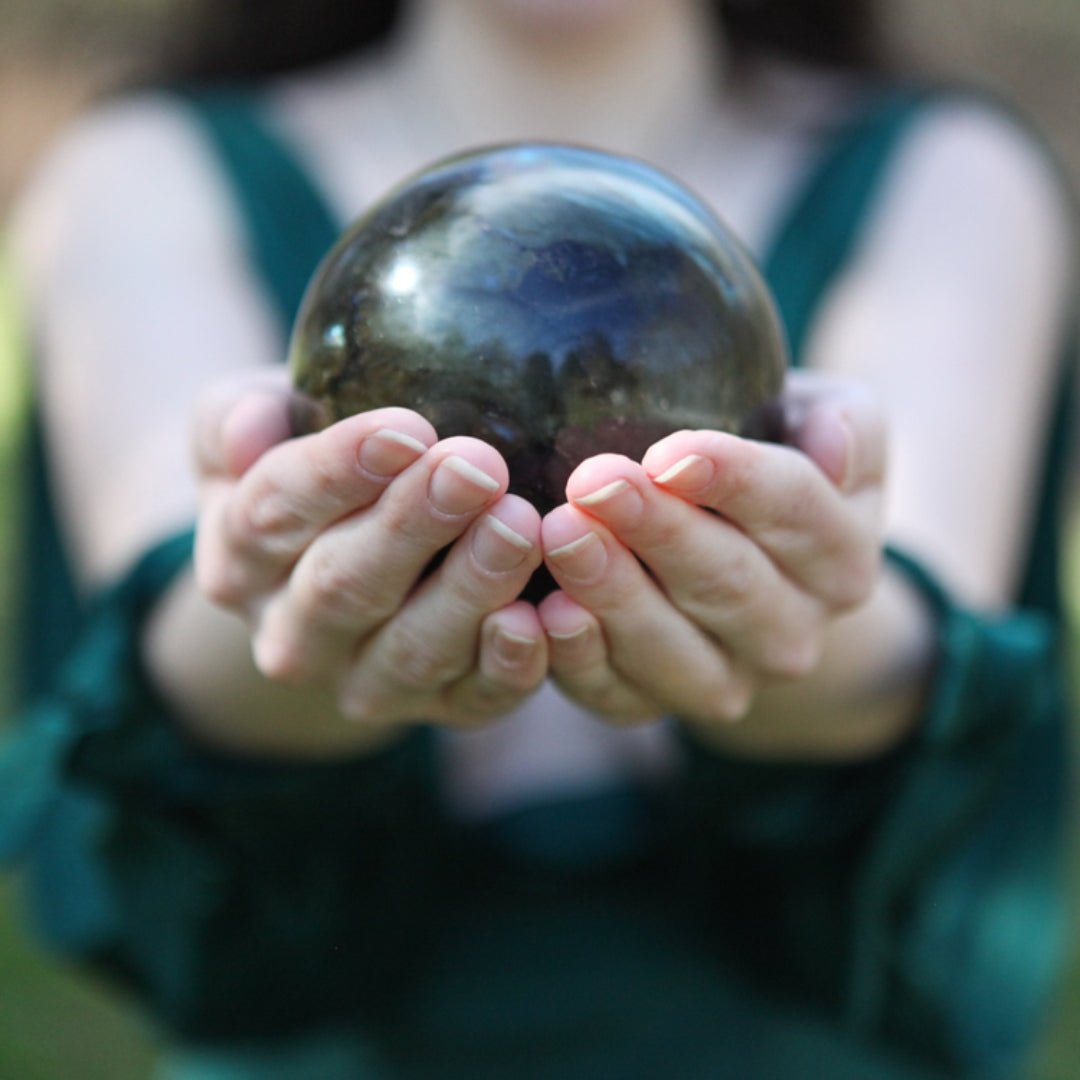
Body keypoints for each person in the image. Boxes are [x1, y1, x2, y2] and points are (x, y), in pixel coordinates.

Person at [0, 0, 1075, 1077]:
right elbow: (175, 647)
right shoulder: (142, 175)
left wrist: (814, 622)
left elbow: (923, 657)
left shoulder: (949, 176)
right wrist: (274, 614)